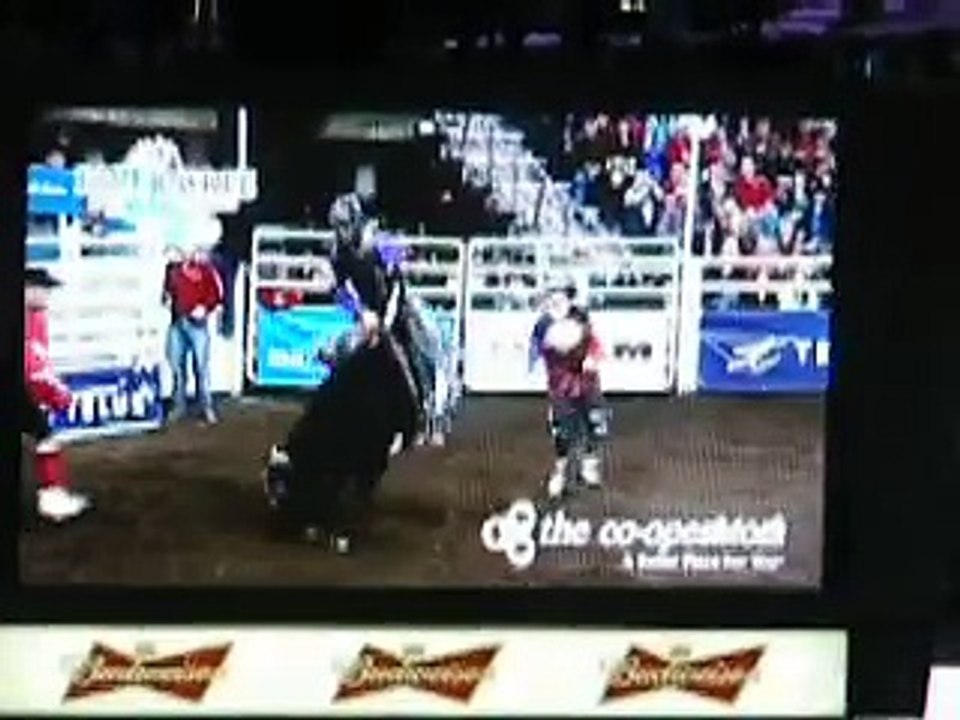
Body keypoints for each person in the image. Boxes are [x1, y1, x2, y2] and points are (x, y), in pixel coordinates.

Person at [528, 278, 608, 499]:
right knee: (562, 432)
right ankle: (560, 472)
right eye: (552, 296)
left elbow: (594, 342)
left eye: (561, 295)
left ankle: (588, 466)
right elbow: (539, 350)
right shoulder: (543, 324)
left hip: (586, 380)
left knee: (595, 421)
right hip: (561, 384)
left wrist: (593, 356)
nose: (556, 300)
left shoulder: (580, 316)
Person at [23, 268, 92, 522]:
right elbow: (33, 365)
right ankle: (53, 497)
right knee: (45, 438)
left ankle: (53, 496)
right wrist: (56, 390)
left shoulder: (35, 317)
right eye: (44, 290)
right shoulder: (28, 319)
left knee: (43, 436)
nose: (47, 295)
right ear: (28, 289)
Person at [163, 243, 224, 424]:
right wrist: (166, 299)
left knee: (200, 368)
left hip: (196, 324)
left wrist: (205, 308)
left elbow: (216, 295)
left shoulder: (206, 271)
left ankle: (205, 407)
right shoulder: (173, 271)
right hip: (178, 321)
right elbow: (168, 292)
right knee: (177, 367)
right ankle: (180, 406)